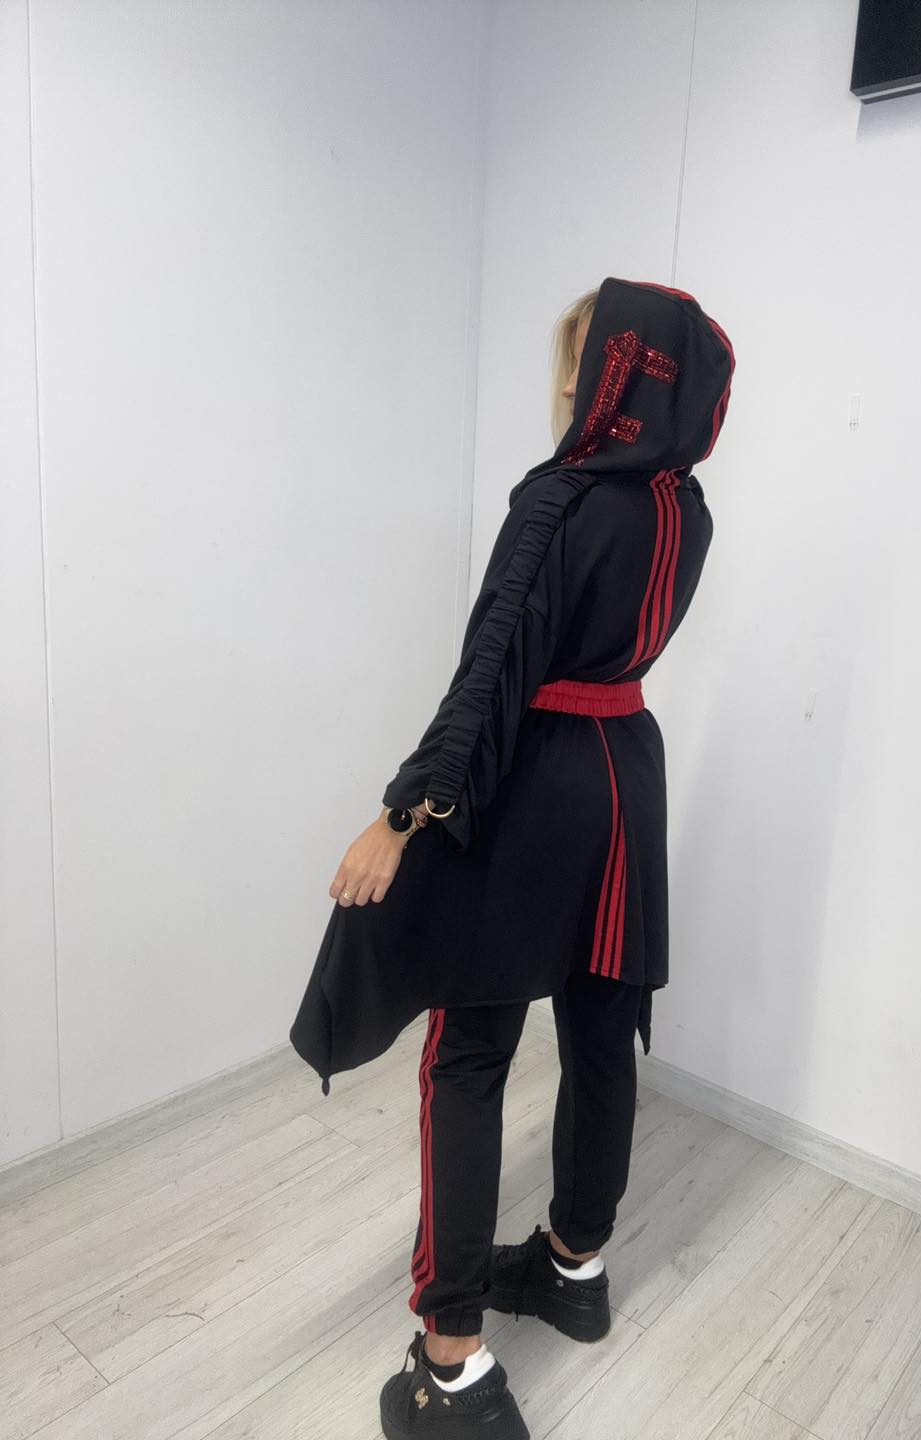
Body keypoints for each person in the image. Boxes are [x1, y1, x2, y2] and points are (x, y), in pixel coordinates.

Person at [289, 275, 735, 1439]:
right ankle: (575, 1266)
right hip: (627, 776)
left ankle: (451, 1360)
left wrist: (401, 815)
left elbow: (491, 671)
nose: (572, 386)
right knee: (598, 1030)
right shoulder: (687, 509)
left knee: (470, 1053)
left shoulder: (561, 499)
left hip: (537, 783)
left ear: (612, 377)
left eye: (583, 365)